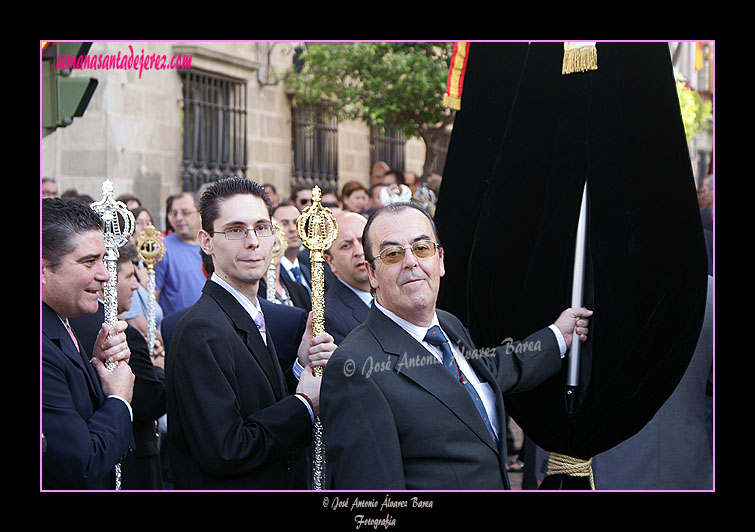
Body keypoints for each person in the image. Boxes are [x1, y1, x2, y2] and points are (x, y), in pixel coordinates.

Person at [319, 202, 592, 490]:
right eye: (392, 254)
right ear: (373, 273)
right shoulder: (355, 368)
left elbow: (485, 374)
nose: (410, 262)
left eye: (422, 248)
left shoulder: (448, 325)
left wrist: (557, 336)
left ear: (441, 260)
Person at [166, 177, 336, 489]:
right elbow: (226, 450)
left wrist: (300, 367)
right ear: (206, 241)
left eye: (261, 227)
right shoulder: (201, 329)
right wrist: (305, 403)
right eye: (235, 230)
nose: (253, 241)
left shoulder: (250, 311)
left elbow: (257, 407)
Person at [41, 198, 135, 489]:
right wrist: (119, 400)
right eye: (89, 261)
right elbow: (81, 464)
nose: (105, 275)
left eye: (103, 260)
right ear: (44, 270)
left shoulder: (62, 323)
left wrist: (98, 371)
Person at [70, 242, 166, 490]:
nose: (136, 284)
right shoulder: (121, 335)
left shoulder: (69, 321)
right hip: (124, 460)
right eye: (129, 276)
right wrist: (160, 368)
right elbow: (150, 401)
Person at [323, 212, 371, 344]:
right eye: (346, 245)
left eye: (363, 241)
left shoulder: (394, 293)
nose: (360, 251)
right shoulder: (329, 317)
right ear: (330, 261)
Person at [154, 192, 205, 315]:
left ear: (200, 214)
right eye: (174, 213)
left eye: (185, 212)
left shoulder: (213, 245)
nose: (178, 218)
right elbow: (153, 295)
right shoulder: (162, 248)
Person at [273, 202, 313, 295]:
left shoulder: (309, 269)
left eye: (296, 222)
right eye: (284, 224)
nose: (292, 228)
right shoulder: (271, 272)